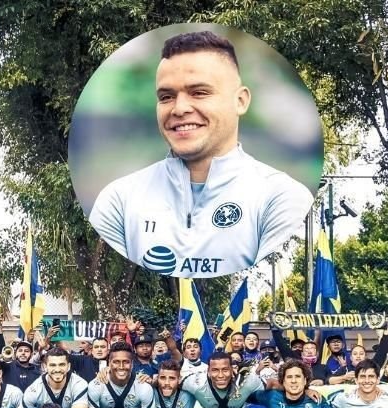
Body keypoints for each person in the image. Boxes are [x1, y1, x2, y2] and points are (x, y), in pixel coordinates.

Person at [89, 30, 313, 278]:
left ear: (240, 101)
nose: (180, 108)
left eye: (199, 92)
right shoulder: (118, 201)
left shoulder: (282, 199)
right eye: (166, 96)